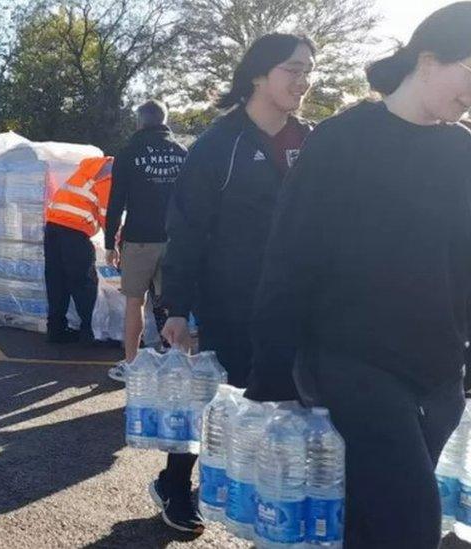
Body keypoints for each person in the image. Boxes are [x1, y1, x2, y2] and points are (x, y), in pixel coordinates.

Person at [246, 4, 471, 547]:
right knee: (413, 524)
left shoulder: (464, 149)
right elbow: (290, 259)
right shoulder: (342, 140)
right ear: (429, 59)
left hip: (438, 374)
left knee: (370, 521)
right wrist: (272, 374)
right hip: (355, 361)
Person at [156, 33, 315, 533]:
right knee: (221, 403)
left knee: (287, 408)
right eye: (293, 69)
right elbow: (186, 230)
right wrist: (176, 309)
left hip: (299, 305)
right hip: (230, 304)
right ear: (258, 75)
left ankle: (270, 504)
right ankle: (174, 483)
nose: (303, 81)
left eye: (309, 70)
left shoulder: (312, 141)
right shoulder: (217, 147)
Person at [105, 100, 188, 382]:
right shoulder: (182, 152)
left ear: (139, 123)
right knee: (176, 303)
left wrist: (109, 243)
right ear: (164, 120)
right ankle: (179, 363)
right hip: (175, 239)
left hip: (139, 238)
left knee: (134, 302)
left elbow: (116, 201)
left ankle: (132, 363)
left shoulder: (129, 153)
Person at [43, 156, 113, 344]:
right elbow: (108, 214)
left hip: (53, 226)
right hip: (74, 231)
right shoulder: (109, 177)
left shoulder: (90, 169)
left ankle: (55, 330)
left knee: (57, 280)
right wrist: (114, 245)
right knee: (83, 282)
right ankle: (89, 332)